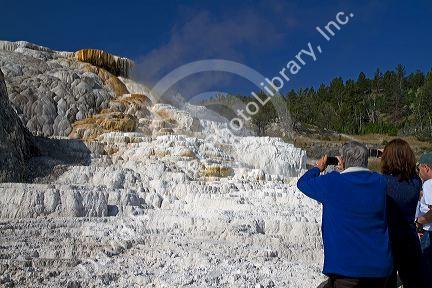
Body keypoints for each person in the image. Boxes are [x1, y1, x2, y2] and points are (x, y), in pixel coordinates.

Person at [297, 141, 392, 288]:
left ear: (343, 160)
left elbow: (303, 183)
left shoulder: (332, 181)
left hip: (345, 268)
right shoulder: (380, 182)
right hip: (379, 267)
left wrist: (318, 168)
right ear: (366, 161)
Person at [381, 139, 424, 288]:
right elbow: (411, 172)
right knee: (414, 281)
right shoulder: (415, 182)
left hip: (388, 238)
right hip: (409, 237)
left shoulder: (382, 182)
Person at [416, 152, 432, 277]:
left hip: (429, 232)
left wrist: (418, 221)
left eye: (419, 167)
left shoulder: (428, 184)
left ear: (426, 168)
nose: (419, 171)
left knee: (424, 269)